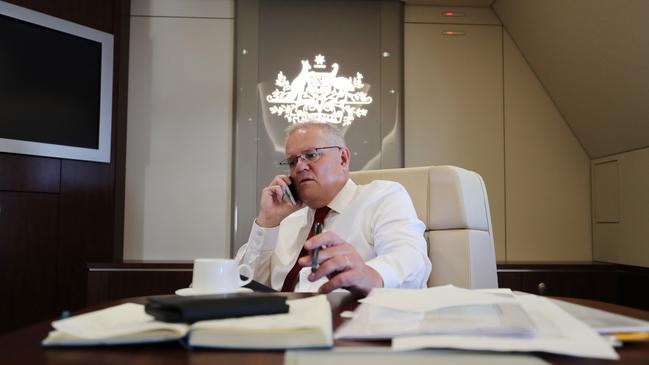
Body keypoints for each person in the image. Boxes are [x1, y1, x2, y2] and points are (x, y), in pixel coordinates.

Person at [235, 122, 431, 295]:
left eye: (311, 155)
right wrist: (268, 223)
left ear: (343, 159)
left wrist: (371, 275)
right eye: (292, 161)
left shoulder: (382, 197)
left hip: (349, 324)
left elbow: (410, 259)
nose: (300, 167)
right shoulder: (286, 221)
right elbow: (245, 284)